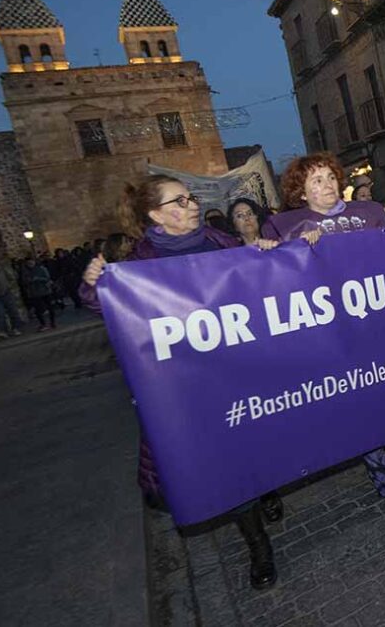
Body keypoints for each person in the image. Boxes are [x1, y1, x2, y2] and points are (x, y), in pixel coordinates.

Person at [80, 176, 285, 590]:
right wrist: (91, 284)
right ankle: (257, 544)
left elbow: (260, 282)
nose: (192, 205)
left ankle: (267, 489)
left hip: (243, 370)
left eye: (191, 198)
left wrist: (264, 254)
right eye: (180, 200)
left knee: (257, 445)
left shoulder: (220, 242)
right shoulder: (138, 265)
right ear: (156, 214)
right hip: (194, 387)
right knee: (231, 465)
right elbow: (105, 305)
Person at [261, 153, 385, 503]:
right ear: (301, 192)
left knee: (384, 396)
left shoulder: (370, 212)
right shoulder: (286, 225)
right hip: (334, 332)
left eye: (330, 177)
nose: (327, 185)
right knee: (362, 401)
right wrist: (273, 250)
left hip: (377, 320)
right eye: (316, 180)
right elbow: (274, 279)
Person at [22, 257, 56, 332]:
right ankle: (43, 324)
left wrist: (38, 279)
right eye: (28, 263)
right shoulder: (25, 271)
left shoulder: (41, 269)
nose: (30, 264)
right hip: (34, 293)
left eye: (31, 262)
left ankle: (52, 322)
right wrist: (29, 281)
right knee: (38, 310)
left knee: (50, 307)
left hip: (44, 291)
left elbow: (47, 278)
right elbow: (24, 281)